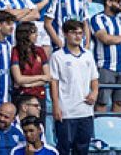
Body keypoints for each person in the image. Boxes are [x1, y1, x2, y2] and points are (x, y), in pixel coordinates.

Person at [48, 19, 98, 155]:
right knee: (63, 148)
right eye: (73, 32)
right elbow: (54, 82)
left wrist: (94, 93)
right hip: (66, 111)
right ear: (65, 34)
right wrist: (56, 106)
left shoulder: (88, 55)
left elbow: (94, 78)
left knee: (82, 148)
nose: (77, 36)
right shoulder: (57, 56)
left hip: (85, 110)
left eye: (80, 33)